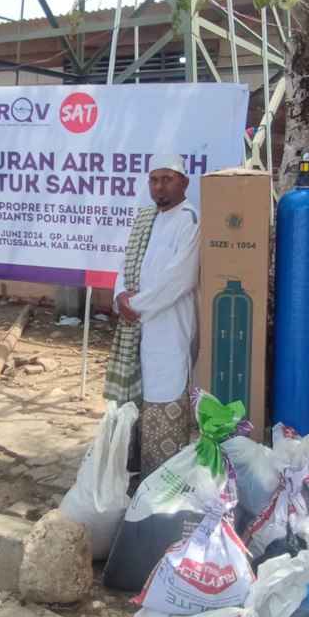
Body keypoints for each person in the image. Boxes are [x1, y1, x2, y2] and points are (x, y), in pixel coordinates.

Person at [105, 154, 200, 478]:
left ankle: (163, 478)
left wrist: (137, 306)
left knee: (165, 391)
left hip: (168, 326)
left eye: (167, 178)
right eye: (154, 179)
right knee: (138, 397)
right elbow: (124, 263)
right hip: (137, 326)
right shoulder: (146, 218)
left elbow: (180, 278)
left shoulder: (189, 219)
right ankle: (137, 472)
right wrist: (120, 296)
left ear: (184, 182)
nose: (159, 186)